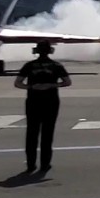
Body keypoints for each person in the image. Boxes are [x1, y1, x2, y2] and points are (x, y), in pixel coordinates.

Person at [13, 41, 71, 173]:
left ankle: (30, 164)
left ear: (36, 51)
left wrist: (31, 87)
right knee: (47, 133)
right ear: (50, 51)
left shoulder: (29, 65)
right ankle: (45, 164)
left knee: (32, 133)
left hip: (33, 101)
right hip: (51, 101)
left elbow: (18, 83)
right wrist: (51, 85)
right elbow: (67, 82)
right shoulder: (56, 66)